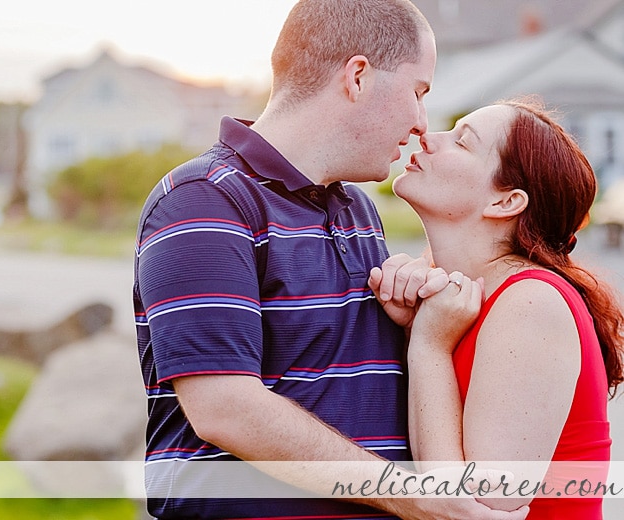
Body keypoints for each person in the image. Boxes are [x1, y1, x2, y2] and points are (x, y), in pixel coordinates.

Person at [133, 0, 529, 518]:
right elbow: (225, 409)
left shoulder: (358, 209)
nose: (420, 123)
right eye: (418, 92)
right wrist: (420, 501)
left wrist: (413, 324)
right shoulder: (205, 199)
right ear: (358, 77)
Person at [370, 99, 624, 518]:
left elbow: (471, 508)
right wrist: (416, 328)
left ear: (506, 202)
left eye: (461, 141)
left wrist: (429, 346)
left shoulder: (531, 302)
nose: (427, 137)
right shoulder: (457, 302)